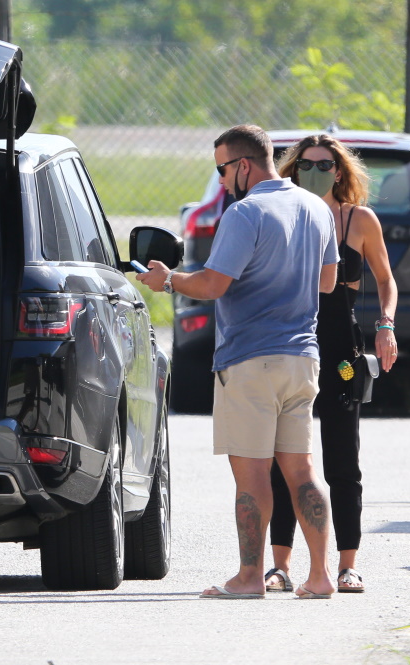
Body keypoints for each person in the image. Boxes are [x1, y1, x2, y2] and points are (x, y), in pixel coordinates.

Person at [137, 124, 339, 599]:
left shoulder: (245, 213)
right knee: (304, 471)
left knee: (251, 477)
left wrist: (168, 281)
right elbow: (328, 283)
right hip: (302, 359)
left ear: (243, 165)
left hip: (250, 361)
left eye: (223, 170)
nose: (224, 181)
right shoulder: (316, 208)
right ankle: (320, 576)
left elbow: (212, 285)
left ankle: (250, 577)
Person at [264, 135, 398, 595]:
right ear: (293, 169)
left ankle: (347, 565)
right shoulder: (282, 213)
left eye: (325, 164)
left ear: (340, 171)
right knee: (283, 460)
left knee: (343, 458)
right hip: (293, 349)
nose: (315, 170)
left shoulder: (358, 220)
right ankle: (279, 565)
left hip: (340, 359)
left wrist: (385, 324)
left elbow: (385, 278)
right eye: (306, 164)